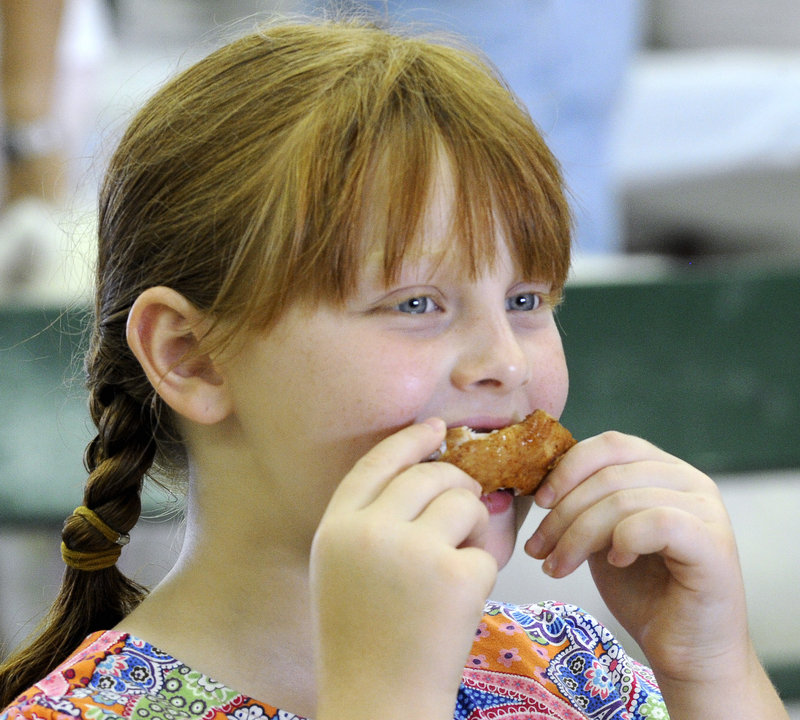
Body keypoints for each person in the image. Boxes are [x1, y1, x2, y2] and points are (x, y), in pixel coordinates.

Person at [0, 16, 789, 720]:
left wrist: (709, 670)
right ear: (192, 357)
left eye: (525, 299)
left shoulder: (572, 672)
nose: (505, 363)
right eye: (416, 304)